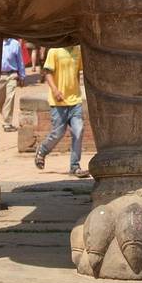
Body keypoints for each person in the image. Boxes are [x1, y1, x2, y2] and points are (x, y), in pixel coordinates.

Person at [34, 41, 91, 179]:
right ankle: (42, 150)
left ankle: (75, 166)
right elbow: (47, 72)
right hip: (58, 100)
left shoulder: (77, 51)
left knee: (79, 130)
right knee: (58, 132)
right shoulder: (54, 50)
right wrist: (55, 90)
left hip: (75, 100)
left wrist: (76, 90)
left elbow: (78, 72)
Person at [0, 36, 26, 132]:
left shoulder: (15, 44)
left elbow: (20, 61)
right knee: (0, 101)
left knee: (10, 98)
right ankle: (5, 117)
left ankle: (7, 123)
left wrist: (22, 76)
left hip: (12, 75)